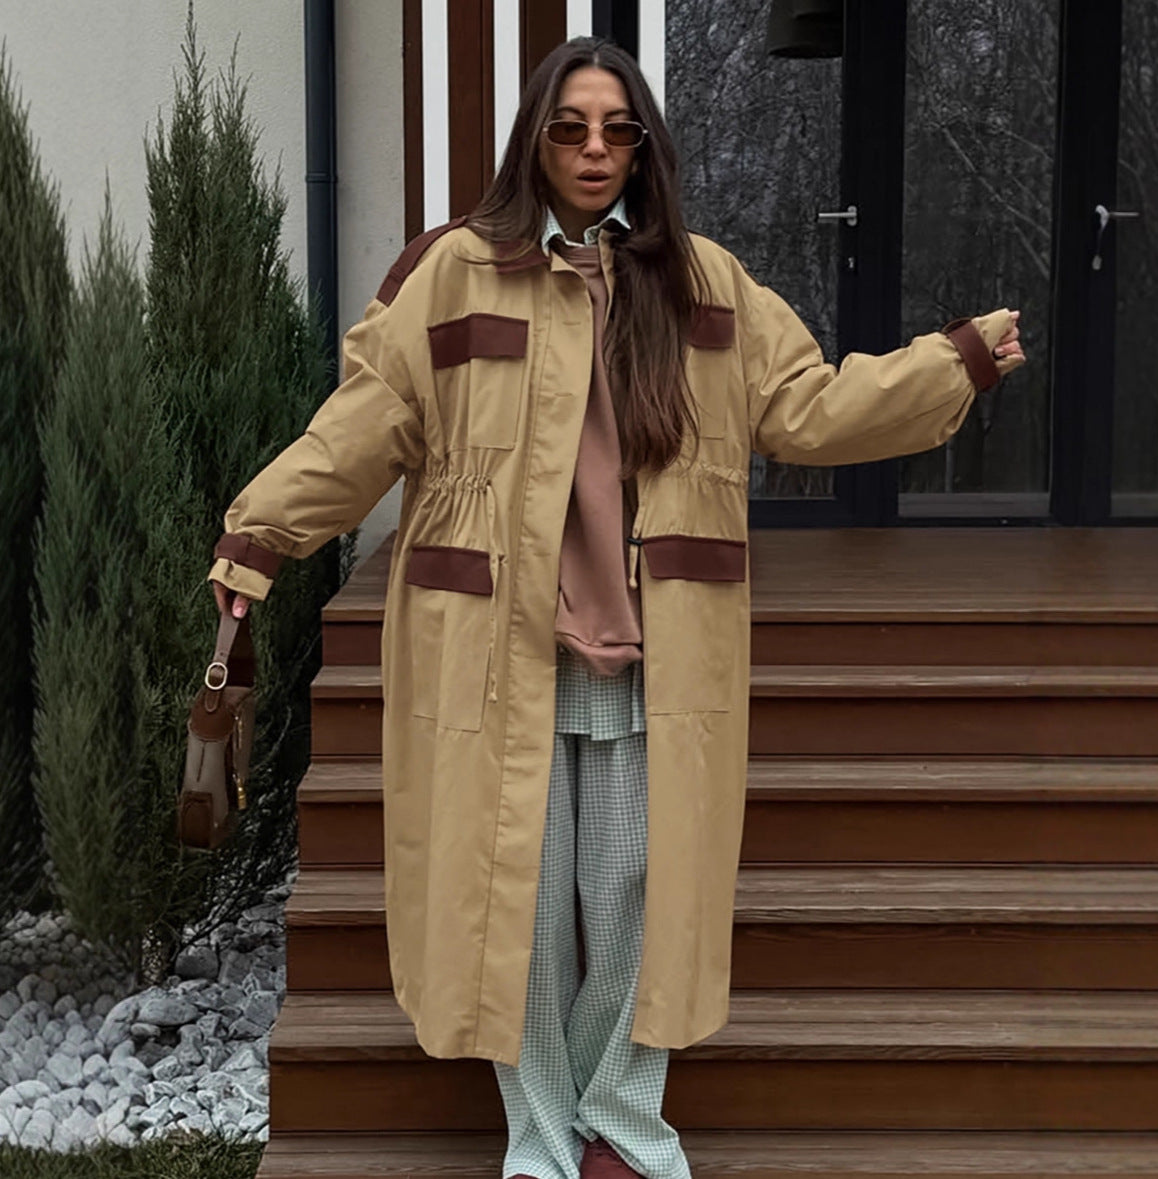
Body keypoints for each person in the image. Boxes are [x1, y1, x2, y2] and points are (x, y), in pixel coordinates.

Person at [208, 36, 1024, 1179]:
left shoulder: (706, 281)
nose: (594, 150)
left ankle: (623, 1124)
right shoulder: (454, 274)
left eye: (616, 130)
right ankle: (542, 1142)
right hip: (498, 647)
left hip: (654, 649)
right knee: (525, 910)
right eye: (570, 128)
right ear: (535, 142)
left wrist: (953, 366)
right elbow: (364, 425)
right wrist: (258, 535)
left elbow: (810, 407)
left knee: (638, 896)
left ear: (643, 147)